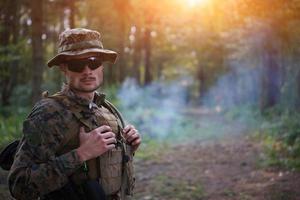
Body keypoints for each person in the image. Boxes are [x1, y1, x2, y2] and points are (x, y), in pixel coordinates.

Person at [8, 28, 141, 200]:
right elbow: (19, 185)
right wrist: (81, 154)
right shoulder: (49, 113)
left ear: (101, 66)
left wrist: (128, 146)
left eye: (93, 62)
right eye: (77, 64)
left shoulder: (106, 109)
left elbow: (104, 166)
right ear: (64, 68)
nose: (87, 71)